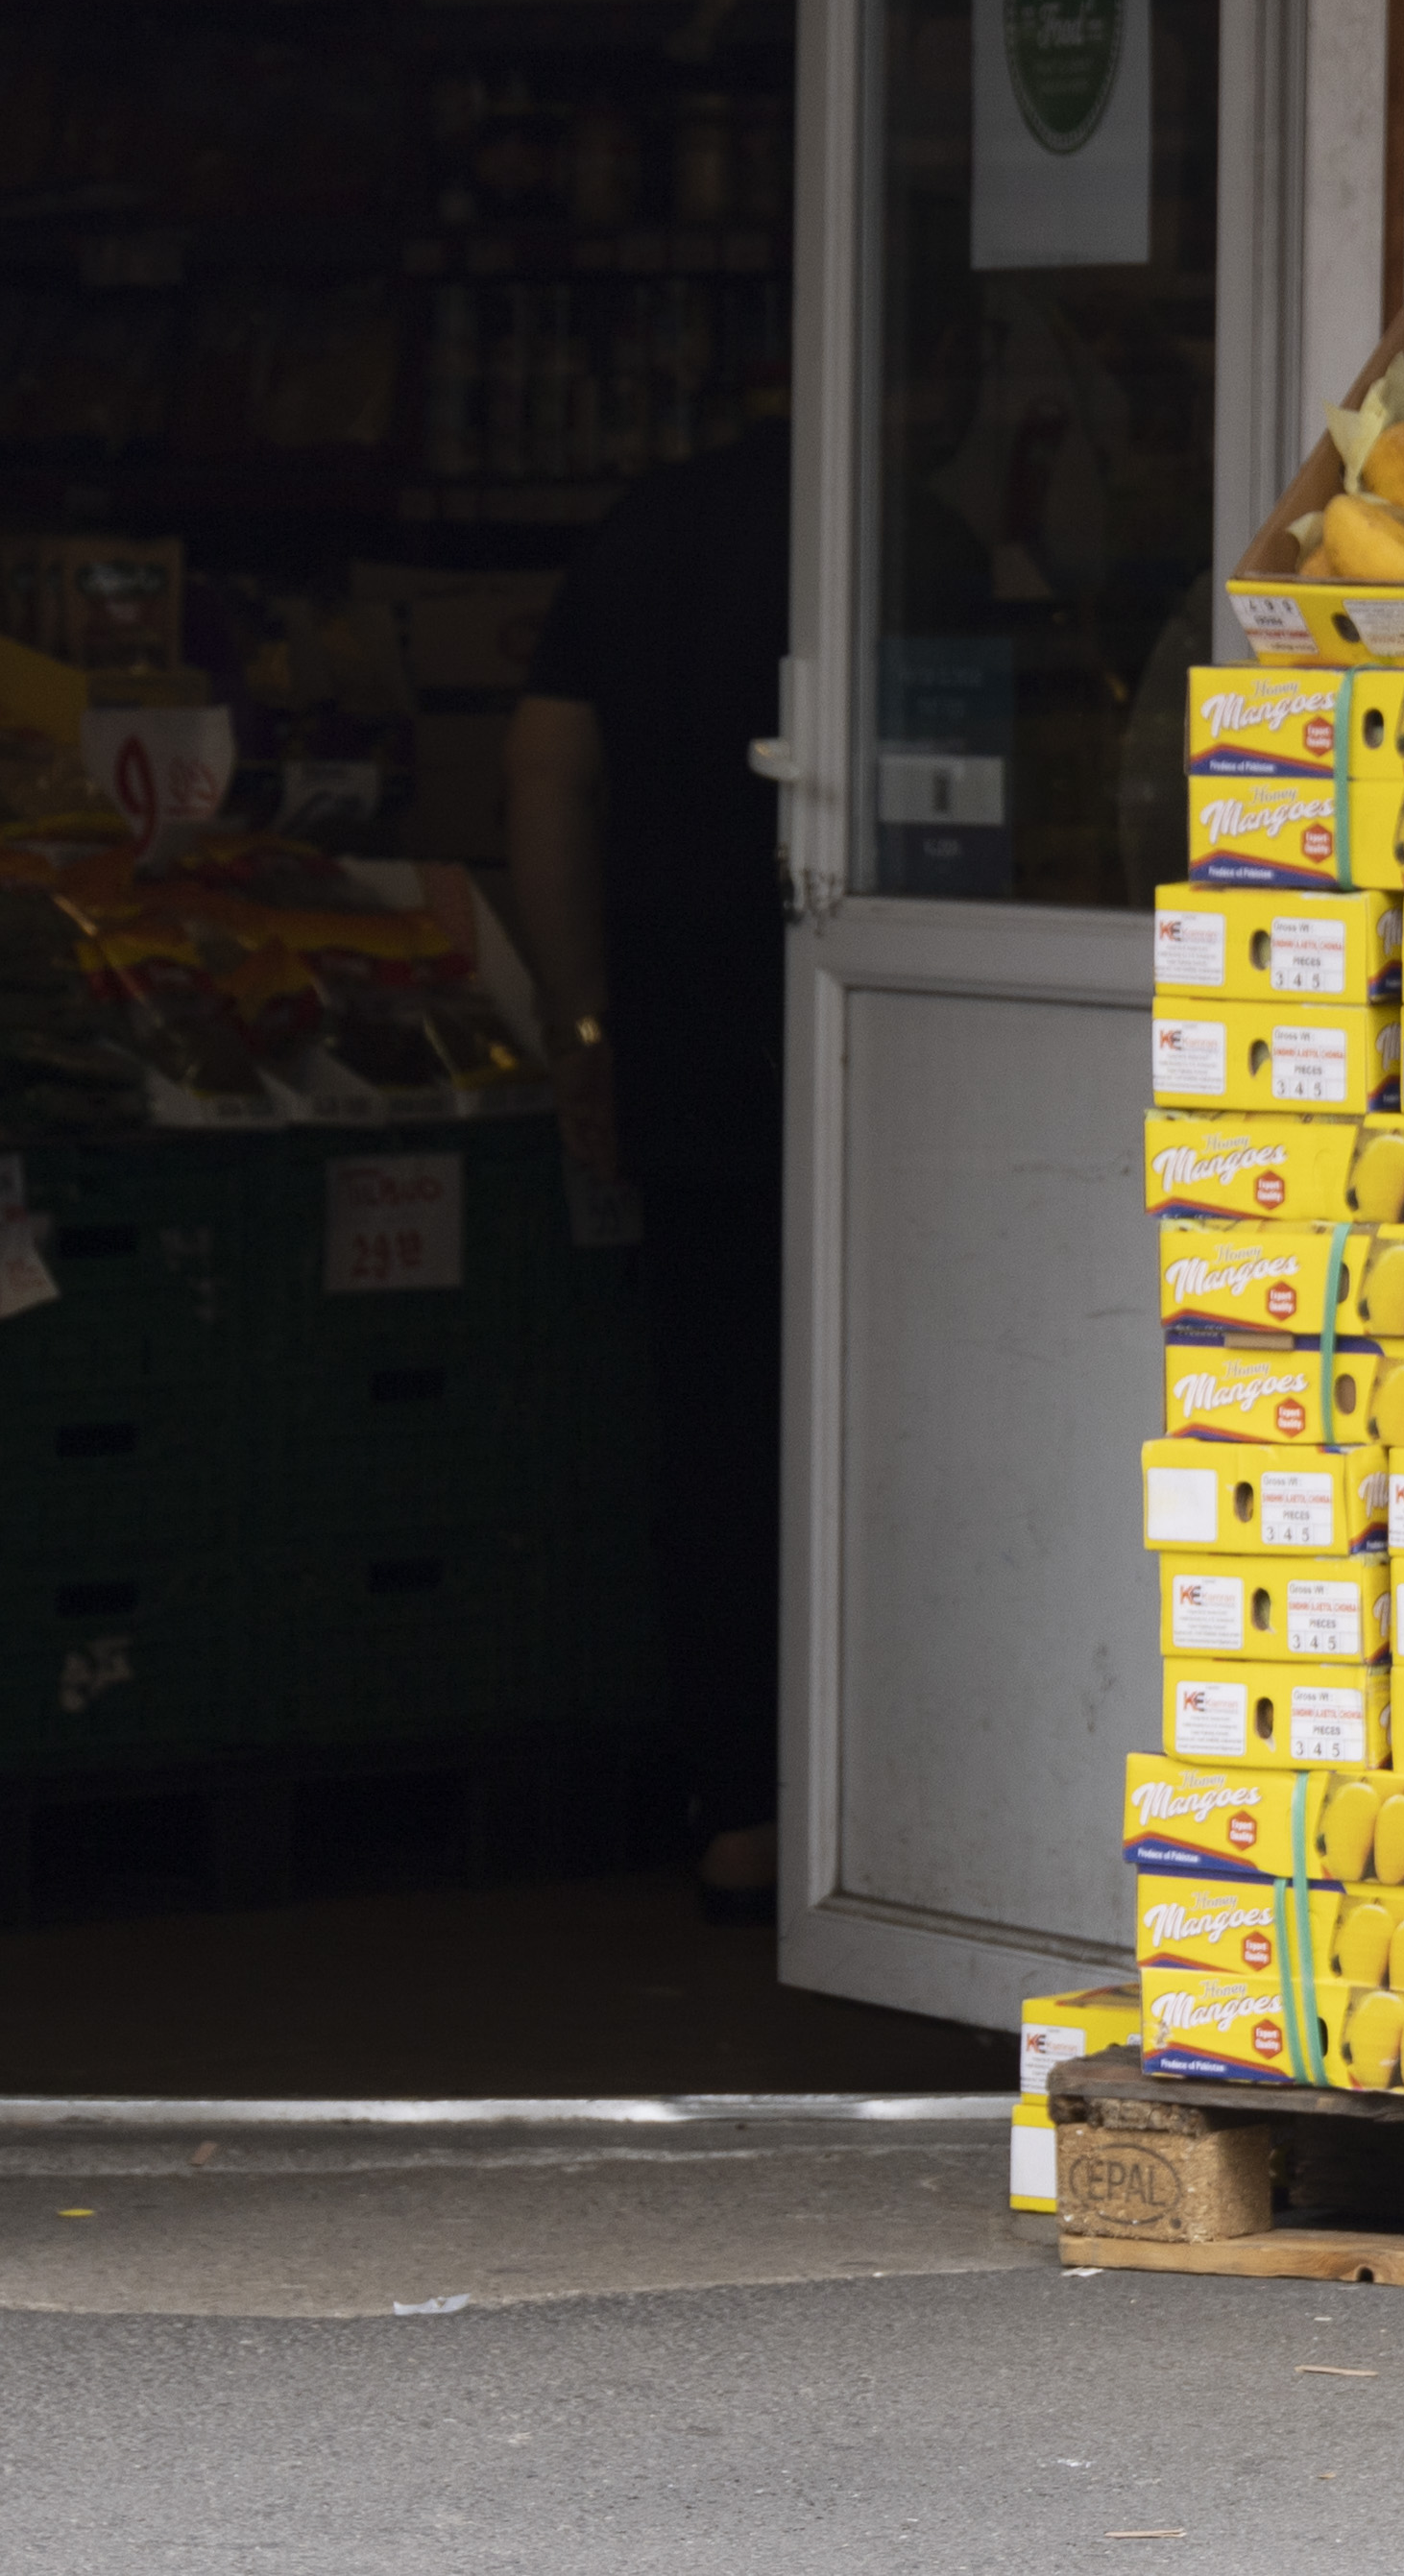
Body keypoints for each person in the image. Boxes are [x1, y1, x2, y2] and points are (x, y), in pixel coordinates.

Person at [504, 411, 796, 1928]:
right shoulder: (910, 537)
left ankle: (742, 1809)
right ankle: (866, 1810)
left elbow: (547, 773)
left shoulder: (650, 522)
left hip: (684, 1046)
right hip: (868, 1052)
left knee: (716, 1416)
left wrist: (580, 1021)